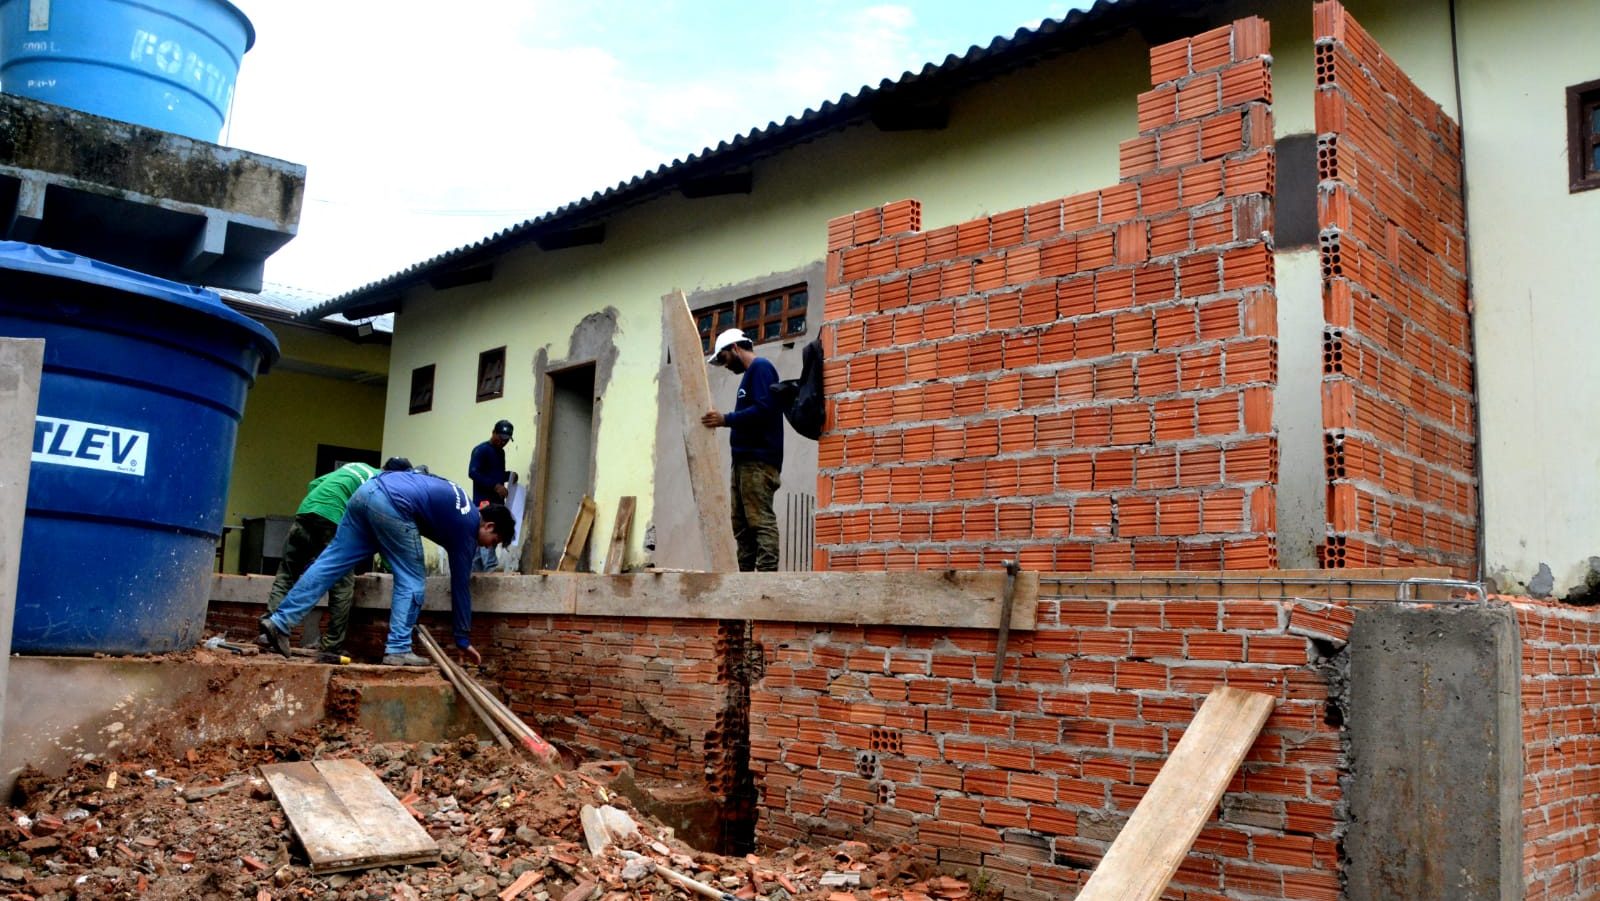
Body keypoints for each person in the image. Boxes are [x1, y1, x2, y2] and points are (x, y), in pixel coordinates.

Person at [258, 469, 515, 666]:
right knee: (413, 578)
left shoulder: (462, 503)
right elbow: (460, 587)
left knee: (330, 563)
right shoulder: (467, 528)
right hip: (394, 504)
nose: (487, 547)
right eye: (493, 542)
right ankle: (399, 649)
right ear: (489, 526)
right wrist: (462, 639)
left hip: (367, 491)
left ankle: (280, 622)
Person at [264, 461, 379, 658]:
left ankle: (268, 631)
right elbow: (376, 520)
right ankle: (332, 644)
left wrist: (318, 507)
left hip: (306, 512)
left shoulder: (353, 467)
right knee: (342, 584)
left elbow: (313, 485)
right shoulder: (381, 482)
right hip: (333, 520)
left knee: (287, 574)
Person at [701, 327, 783, 572]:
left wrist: (726, 419)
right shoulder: (750, 375)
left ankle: (767, 581)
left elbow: (765, 410)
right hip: (744, 462)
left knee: (760, 521)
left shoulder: (761, 368)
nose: (725, 365)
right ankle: (744, 582)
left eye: (724, 358)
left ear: (735, 348)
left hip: (758, 460)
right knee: (741, 525)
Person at [468, 420, 516, 572]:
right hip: (484, 505)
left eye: (506, 440)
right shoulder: (481, 450)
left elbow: (497, 474)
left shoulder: (500, 453)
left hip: (497, 506)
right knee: (484, 547)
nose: (503, 442)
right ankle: (484, 575)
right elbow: (473, 473)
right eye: (501, 438)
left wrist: (509, 476)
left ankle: (481, 576)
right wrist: (495, 486)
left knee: (487, 547)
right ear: (493, 432)